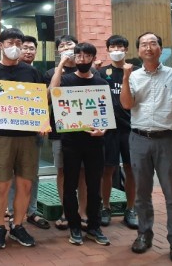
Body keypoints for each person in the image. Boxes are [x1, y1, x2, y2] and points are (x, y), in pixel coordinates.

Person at [120, 32, 172, 264]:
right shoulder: (133, 76)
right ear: (139, 50)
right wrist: (125, 78)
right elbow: (126, 104)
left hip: (168, 140)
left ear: (161, 49)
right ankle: (144, 235)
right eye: (144, 44)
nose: (148, 47)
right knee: (141, 193)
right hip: (139, 139)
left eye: (153, 43)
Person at [0, 28, 42, 249]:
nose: (15, 46)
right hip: (0, 136)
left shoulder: (31, 72)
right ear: (1, 45)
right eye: (10, 42)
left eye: (18, 42)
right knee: (2, 184)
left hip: (28, 136)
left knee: (25, 183)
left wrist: (42, 122)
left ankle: (18, 225)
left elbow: (39, 101)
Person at [50, 42, 110, 247]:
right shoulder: (66, 80)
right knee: (70, 185)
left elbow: (106, 111)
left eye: (86, 56)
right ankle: (74, 226)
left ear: (93, 58)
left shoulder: (101, 82)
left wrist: (104, 129)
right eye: (79, 56)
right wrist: (60, 65)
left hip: (95, 141)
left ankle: (94, 227)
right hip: (71, 141)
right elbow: (53, 91)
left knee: (94, 186)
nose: (82, 59)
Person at [43, 35, 87, 230]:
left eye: (69, 44)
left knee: (82, 172)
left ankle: (83, 212)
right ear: (58, 51)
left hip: (83, 129)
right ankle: (66, 211)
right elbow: (49, 96)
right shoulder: (50, 73)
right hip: (60, 129)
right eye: (62, 46)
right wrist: (60, 65)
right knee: (62, 171)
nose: (66, 47)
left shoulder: (86, 69)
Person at [6, 35, 49, 230]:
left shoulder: (36, 73)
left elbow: (42, 101)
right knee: (11, 174)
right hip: (9, 132)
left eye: (32, 48)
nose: (28, 51)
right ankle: (12, 210)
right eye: (25, 48)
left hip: (32, 133)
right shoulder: (5, 71)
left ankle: (31, 211)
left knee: (32, 173)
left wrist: (44, 123)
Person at [98, 35, 139, 229]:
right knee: (107, 169)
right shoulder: (101, 72)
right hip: (108, 129)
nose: (116, 50)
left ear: (126, 50)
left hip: (131, 128)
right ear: (107, 50)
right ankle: (105, 207)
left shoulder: (136, 71)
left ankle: (130, 209)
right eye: (113, 47)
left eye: (120, 47)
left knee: (131, 169)